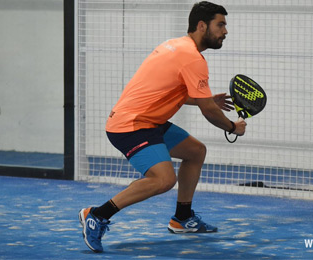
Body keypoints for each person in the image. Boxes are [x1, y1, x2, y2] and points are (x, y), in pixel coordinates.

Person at [78, 1, 246, 253]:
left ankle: (182, 218)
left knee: (196, 151)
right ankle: (97, 214)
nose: (225, 31)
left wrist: (206, 99)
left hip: (148, 121)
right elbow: (208, 111)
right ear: (202, 26)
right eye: (220, 24)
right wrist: (233, 127)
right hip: (130, 125)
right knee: (164, 179)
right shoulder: (192, 58)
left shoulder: (175, 46)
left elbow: (169, 90)